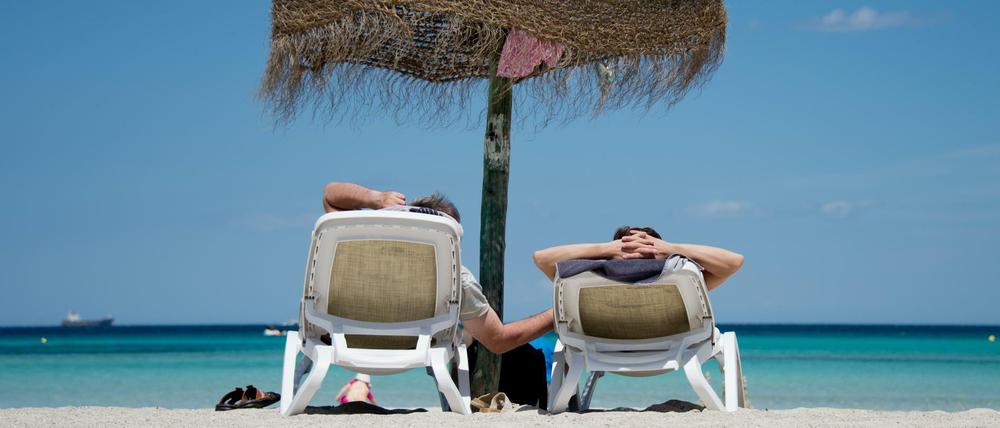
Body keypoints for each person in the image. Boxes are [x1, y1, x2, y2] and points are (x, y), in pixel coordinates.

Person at [321, 181, 554, 405]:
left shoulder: (359, 254)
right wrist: (557, 314)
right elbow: (498, 340)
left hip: (347, 345)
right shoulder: (455, 277)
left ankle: (359, 386)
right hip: (417, 350)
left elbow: (331, 195)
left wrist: (376, 199)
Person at [532, 225, 744, 290]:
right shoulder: (684, 283)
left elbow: (542, 259)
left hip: (602, 348)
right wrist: (672, 249)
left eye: (647, 247)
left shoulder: (586, 281)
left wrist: (605, 250)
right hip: (672, 347)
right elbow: (733, 263)